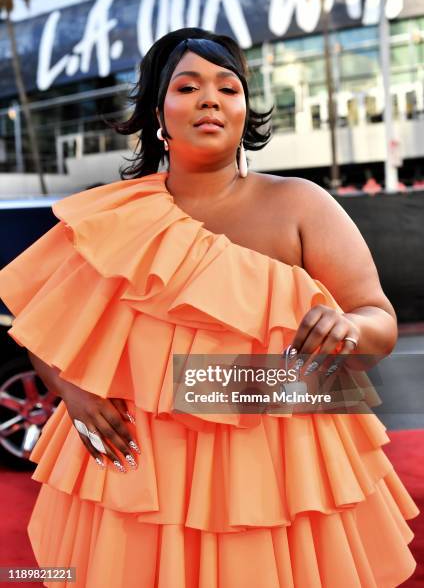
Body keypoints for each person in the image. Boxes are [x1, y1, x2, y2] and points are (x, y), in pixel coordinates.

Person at [0, 28, 419, 587]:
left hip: (276, 458)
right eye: (188, 86)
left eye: (228, 86)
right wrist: (72, 393)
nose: (210, 99)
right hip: (144, 466)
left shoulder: (300, 204)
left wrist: (346, 326)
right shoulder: (117, 219)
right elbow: (45, 331)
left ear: (246, 109)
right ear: (157, 111)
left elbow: (378, 322)